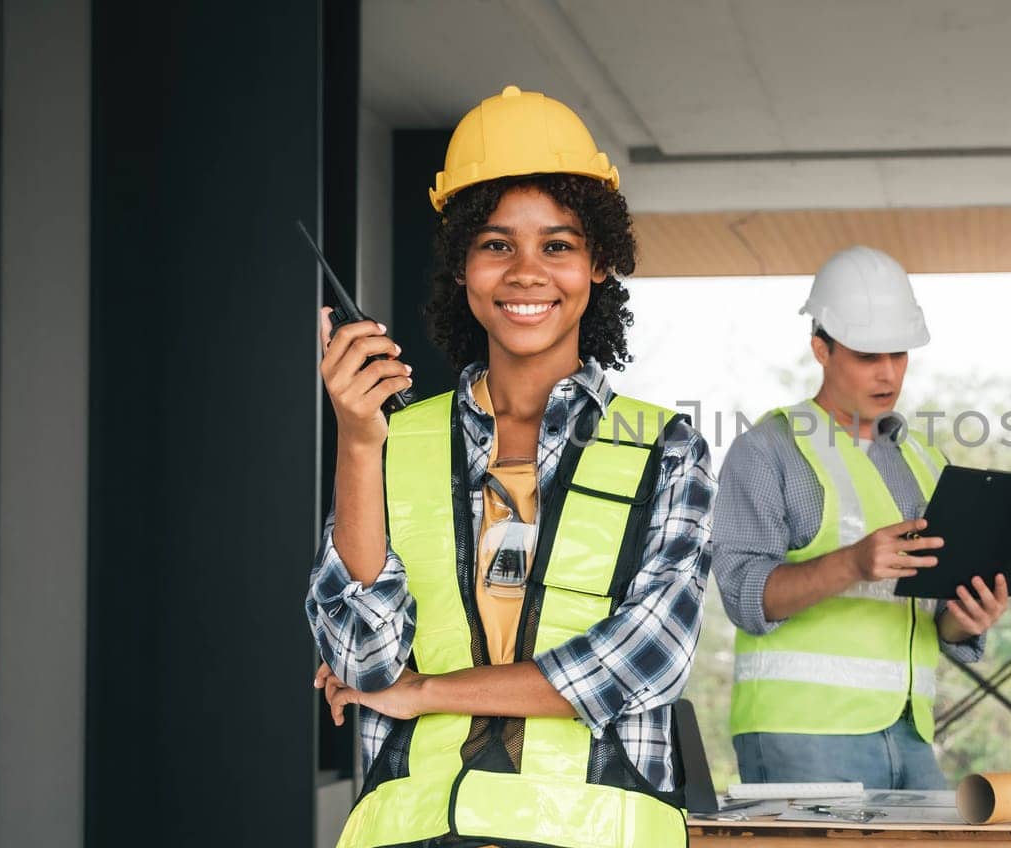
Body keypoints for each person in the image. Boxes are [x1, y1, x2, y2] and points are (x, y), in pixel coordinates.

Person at [305, 86, 714, 848]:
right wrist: (359, 444)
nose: (527, 271)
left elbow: (639, 663)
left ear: (598, 266)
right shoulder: (396, 438)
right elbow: (361, 658)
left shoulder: (666, 449)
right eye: (496, 244)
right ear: (463, 269)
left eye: (557, 245)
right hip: (417, 834)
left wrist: (423, 691)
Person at [712, 245, 1010, 790]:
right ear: (820, 348)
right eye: (868, 357)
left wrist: (963, 619)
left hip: (912, 731)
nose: (888, 373)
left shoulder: (924, 461)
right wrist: (852, 562)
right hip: (801, 734)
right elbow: (744, 596)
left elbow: (930, 613)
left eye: (898, 355)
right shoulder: (768, 449)